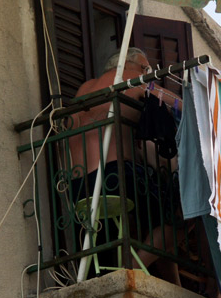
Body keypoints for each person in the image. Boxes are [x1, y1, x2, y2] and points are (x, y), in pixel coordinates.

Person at [67, 48, 182, 283]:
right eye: (147, 68)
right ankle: (130, 267)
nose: (148, 73)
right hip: (116, 177)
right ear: (135, 66)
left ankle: (166, 278)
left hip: (79, 185)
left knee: (150, 221)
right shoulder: (134, 79)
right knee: (180, 216)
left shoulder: (83, 90)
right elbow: (179, 104)